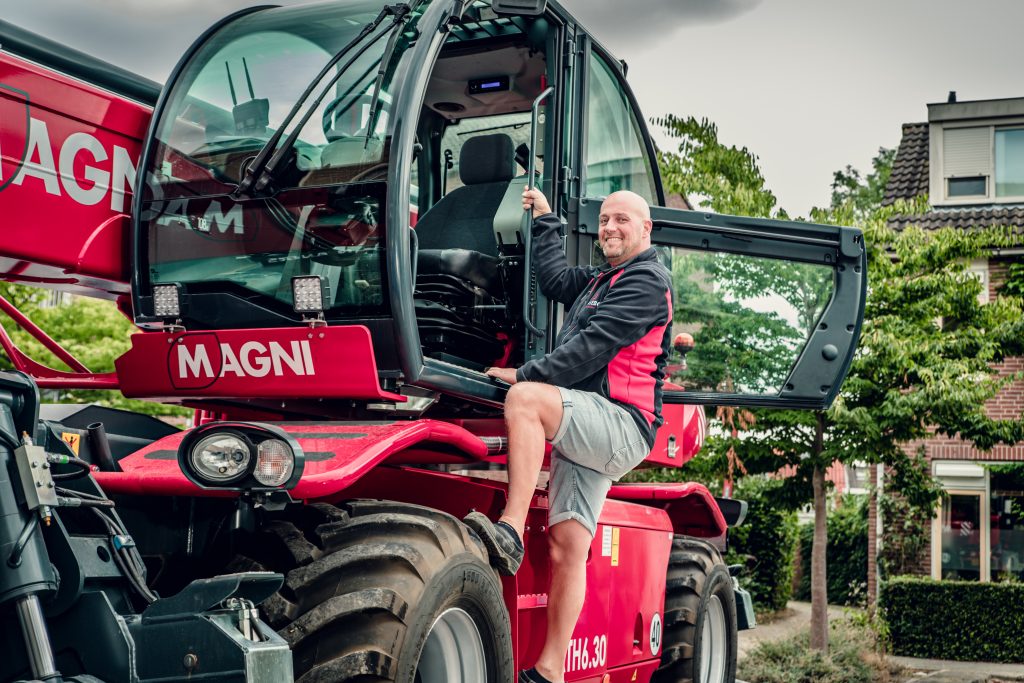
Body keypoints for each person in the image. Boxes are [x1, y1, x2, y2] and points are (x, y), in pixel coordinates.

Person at [464, 187, 673, 683]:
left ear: (646, 229)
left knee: (526, 400)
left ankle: (509, 531)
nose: (610, 228)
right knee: (567, 547)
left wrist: (525, 373)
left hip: (621, 422)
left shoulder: (647, 280)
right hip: (593, 421)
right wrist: (548, 221)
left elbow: (593, 348)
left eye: (622, 220)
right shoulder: (604, 277)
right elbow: (556, 279)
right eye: (604, 220)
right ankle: (551, 670)